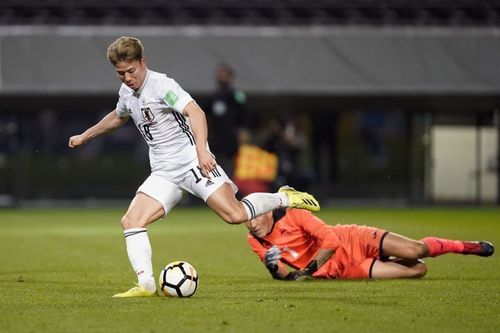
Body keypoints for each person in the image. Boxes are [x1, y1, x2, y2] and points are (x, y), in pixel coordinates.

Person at [68, 36, 320, 297]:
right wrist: (86, 135)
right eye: (121, 74)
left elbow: (195, 112)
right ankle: (145, 286)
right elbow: (118, 116)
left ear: (143, 62)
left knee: (234, 216)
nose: (127, 78)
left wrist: (201, 151)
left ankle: (283, 198)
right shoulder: (127, 92)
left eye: (131, 71)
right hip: (164, 172)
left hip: (192, 163)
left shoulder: (162, 85)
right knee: (131, 221)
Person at [246, 208, 494, 280]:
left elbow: (331, 241)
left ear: (268, 211)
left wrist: (309, 270)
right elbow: (284, 276)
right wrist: (272, 268)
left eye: (255, 216)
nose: (252, 223)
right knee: (419, 269)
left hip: (353, 239)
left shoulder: (294, 215)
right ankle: (385, 259)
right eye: (247, 219)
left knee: (416, 250)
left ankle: (464, 246)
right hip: (343, 270)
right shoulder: (254, 239)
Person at [206, 63, 250, 176]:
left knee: (232, 166)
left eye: (224, 74)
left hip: (232, 137)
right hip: (216, 137)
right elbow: (206, 116)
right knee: (216, 165)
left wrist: (243, 130)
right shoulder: (213, 97)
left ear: (230, 76)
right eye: (219, 74)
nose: (221, 76)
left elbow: (245, 113)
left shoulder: (237, 95)